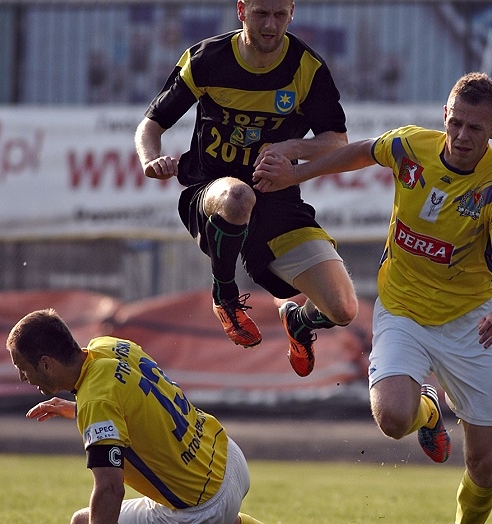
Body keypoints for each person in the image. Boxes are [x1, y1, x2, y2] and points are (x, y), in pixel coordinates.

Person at [254, 72, 492, 524]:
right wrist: (296, 175)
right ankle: (428, 411)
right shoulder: (410, 146)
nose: (462, 136)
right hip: (402, 309)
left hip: (470, 323)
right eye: (456, 123)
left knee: (484, 463)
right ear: (445, 116)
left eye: (475, 128)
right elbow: (358, 152)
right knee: (393, 418)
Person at [6, 308, 343, 524]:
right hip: (229, 457)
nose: (22, 377)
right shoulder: (108, 346)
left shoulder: (97, 401)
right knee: (225, 521)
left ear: (46, 364)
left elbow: (110, 490)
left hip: (204, 509)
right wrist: (79, 409)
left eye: (23, 367)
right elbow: (135, 400)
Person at [134, 0, 358, 378]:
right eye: (261, 14)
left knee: (343, 309)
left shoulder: (307, 67)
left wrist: (289, 148)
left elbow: (337, 142)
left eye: (279, 15)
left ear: (292, 12)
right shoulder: (206, 59)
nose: (270, 25)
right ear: (241, 10)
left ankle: (298, 321)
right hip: (212, 191)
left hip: (278, 201)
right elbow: (151, 124)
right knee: (238, 196)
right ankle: (225, 294)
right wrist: (150, 160)